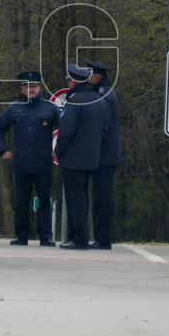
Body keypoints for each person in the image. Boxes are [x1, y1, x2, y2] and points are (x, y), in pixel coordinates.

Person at [0, 71, 59, 247]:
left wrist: (58, 150)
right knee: (21, 201)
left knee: (44, 201)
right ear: (22, 88)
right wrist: (3, 150)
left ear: (40, 88)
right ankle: (21, 235)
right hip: (21, 163)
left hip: (43, 164)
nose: (31, 90)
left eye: (35, 86)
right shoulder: (14, 109)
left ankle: (46, 236)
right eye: (28, 86)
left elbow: (65, 131)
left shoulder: (50, 108)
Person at [54, 64, 105, 250]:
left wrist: (58, 151)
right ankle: (80, 236)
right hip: (91, 157)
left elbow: (67, 130)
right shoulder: (98, 100)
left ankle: (78, 237)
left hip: (73, 158)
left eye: (69, 80)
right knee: (82, 197)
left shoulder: (75, 100)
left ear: (74, 81)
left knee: (75, 199)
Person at [86, 58, 121, 250]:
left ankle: (103, 238)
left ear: (97, 76)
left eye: (90, 74)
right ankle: (100, 237)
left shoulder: (103, 95)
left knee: (103, 197)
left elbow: (103, 127)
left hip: (104, 155)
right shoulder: (103, 93)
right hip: (104, 155)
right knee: (100, 196)